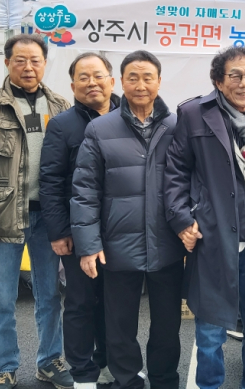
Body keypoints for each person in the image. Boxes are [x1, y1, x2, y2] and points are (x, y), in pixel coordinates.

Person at [164, 45, 245, 389]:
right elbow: (176, 172)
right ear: (218, 82)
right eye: (235, 76)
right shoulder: (194, 113)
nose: (244, 83)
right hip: (214, 237)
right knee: (210, 331)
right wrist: (182, 219)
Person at [0, 34, 73, 389]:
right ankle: (5, 367)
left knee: (49, 294)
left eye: (35, 60)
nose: (28, 67)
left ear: (44, 64)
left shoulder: (60, 104)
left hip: (49, 216)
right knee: (3, 298)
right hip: (4, 214)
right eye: (20, 60)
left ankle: (49, 361)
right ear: (8, 62)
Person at [71, 50, 184, 389]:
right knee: (120, 326)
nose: (140, 85)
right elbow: (85, 190)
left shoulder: (177, 126)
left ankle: (164, 380)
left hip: (167, 244)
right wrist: (88, 246)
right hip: (117, 244)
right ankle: (126, 381)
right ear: (121, 82)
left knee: (167, 326)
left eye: (148, 77)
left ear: (159, 82)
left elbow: (192, 182)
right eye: (132, 78)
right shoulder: (100, 128)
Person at [40, 53, 119, 389]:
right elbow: (50, 181)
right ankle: (82, 371)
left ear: (111, 81)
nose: (92, 83)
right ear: (73, 86)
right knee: (81, 301)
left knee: (115, 302)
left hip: (121, 229)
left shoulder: (128, 117)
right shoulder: (62, 125)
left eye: (98, 76)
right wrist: (59, 231)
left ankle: (110, 362)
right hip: (78, 232)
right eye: (83, 78)